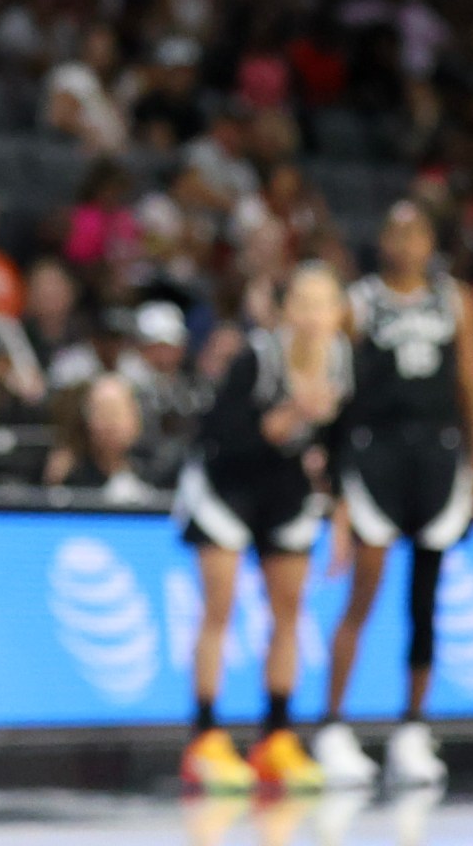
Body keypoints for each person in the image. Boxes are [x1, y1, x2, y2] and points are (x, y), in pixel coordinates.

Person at [314, 202, 473, 791]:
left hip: (438, 460)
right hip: (376, 456)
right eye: (396, 232)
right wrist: (335, 475)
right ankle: (333, 724)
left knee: (426, 600)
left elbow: (469, 384)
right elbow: (335, 385)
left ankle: (413, 727)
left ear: (431, 242)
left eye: (417, 233)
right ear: (383, 241)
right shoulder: (359, 302)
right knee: (362, 593)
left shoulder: (454, 299)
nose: (406, 243)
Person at [176, 265, 352, 794]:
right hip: (227, 484)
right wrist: (288, 416)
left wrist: (341, 516)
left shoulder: (343, 363)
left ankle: (276, 736)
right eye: (302, 302)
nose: (313, 315)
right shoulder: (257, 357)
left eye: (324, 304)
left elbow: (342, 443)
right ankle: (205, 736)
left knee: (289, 610)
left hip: (286, 491)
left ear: (338, 313)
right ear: (286, 310)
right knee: (220, 606)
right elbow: (219, 433)